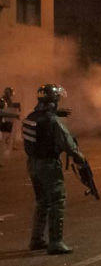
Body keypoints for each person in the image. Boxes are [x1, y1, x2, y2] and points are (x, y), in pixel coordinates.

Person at [22, 84, 84, 254]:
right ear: (54, 100)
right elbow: (68, 143)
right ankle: (55, 242)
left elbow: (42, 123)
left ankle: (36, 240)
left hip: (33, 164)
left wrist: (55, 114)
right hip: (48, 165)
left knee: (42, 201)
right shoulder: (53, 121)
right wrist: (80, 158)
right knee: (58, 199)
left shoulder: (31, 116)